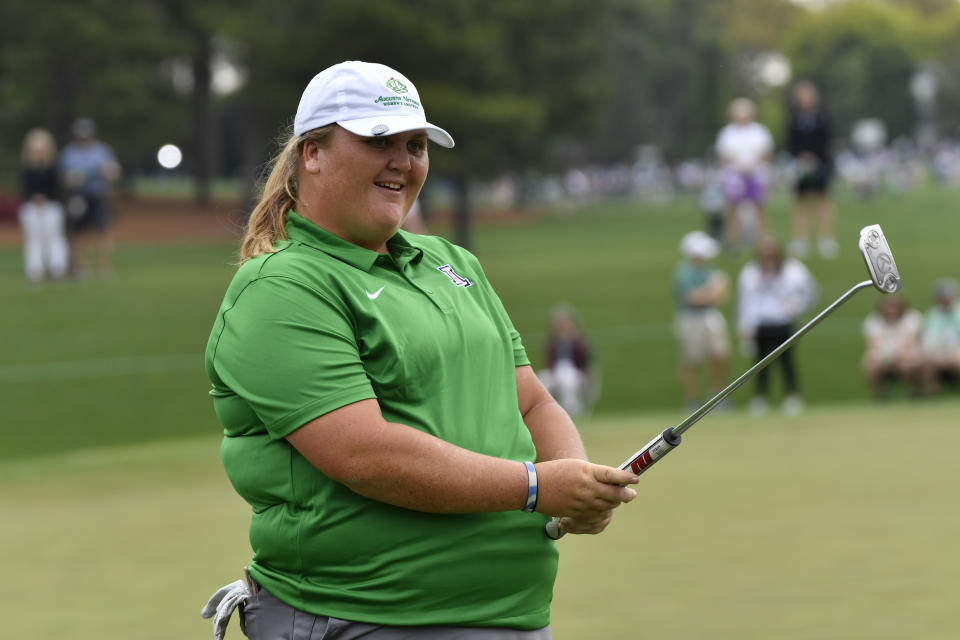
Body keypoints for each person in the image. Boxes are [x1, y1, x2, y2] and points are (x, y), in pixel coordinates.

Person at [200, 61, 638, 640]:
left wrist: (573, 485)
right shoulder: (281, 287)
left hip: (511, 617)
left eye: (415, 145)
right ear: (313, 153)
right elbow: (366, 455)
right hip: (365, 618)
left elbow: (531, 403)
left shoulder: (452, 264)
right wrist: (537, 487)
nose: (403, 161)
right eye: (378, 140)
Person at [737, 237, 817, 415]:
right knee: (760, 363)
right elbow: (744, 302)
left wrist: (798, 307)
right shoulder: (750, 273)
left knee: (787, 361)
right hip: (760, 323)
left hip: (783, 322)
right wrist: (744, 327)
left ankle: (792, 397)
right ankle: (760, 398)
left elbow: (811, 291)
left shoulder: (793, 270)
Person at [673, 231, 730, 410]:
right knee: (691, 359)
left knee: (720, 355)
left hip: (710, 316)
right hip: (690, 318)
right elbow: (691, 298)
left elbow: (720, 297)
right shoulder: (683, 272)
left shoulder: (712, 271)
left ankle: (717, 396)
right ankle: (692, 400)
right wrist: (711, 292)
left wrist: (708, 294)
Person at [58, 118, 120, 278]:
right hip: (78, 196)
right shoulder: (69, 153)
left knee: (102, 231)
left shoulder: (102, 151)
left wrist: (106, 172)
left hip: (98, 195)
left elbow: (115, 172)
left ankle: (103, 267)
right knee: (79, 232)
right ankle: (80, 268)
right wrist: (73, 178)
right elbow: (62, 178)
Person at [715, 98, 774, 251]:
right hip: (735, 174)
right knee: (733, 207)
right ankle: (734, 240)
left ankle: (762, 239)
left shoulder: (760, 131)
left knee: (759, 206)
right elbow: (723, 155)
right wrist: (737, 167)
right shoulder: (727, 133)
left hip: (756, 173)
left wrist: (754, 166)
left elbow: (767, 152)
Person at [787, 80, 837, 259]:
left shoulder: (822, 117)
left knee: (823, 201)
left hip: (820, 163)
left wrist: (817, 159)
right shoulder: (795, 118)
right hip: (802, 165)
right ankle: (801, 240)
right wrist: (800, 157)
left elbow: (827, 140)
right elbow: (791, 142)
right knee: (801, 202)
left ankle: (826, 239)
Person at [18, 128, 69, 283]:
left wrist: (47, 199)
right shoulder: (26, 168)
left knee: (54, 238)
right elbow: (24, 190)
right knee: (34, 240)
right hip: (32, 208)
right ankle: (35, 271)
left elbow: (58, 188)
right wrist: (34, 199)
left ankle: (57, 269)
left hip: (51, 207)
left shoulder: (54, 167)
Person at [537, 304, 595, 417]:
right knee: (541, 380)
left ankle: (572, 414)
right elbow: (549, 361)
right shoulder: (553, 341)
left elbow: (586, 359)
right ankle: (545, 413)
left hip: (574, 371)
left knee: (567, 381)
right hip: (555, 371)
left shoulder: (578, 341)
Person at [861, 296, 923, 399]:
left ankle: (913, 392)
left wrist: (899, 356)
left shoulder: (911, 318)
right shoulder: (873, 321)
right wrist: (884, 358)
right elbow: (873, 345)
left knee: (909, 363)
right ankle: (880, 395)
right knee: (869, 364)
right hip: (882, 357)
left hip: (905, 355)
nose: (891, 311)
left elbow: (910, 343)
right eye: (888, 307)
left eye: (894, 307)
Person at [918, 278, 960, 395]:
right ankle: (933, 394)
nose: (945, 299)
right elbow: (928, 338)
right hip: (939, 351)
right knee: (926, 361)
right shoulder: (932, 315)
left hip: (957, 349)